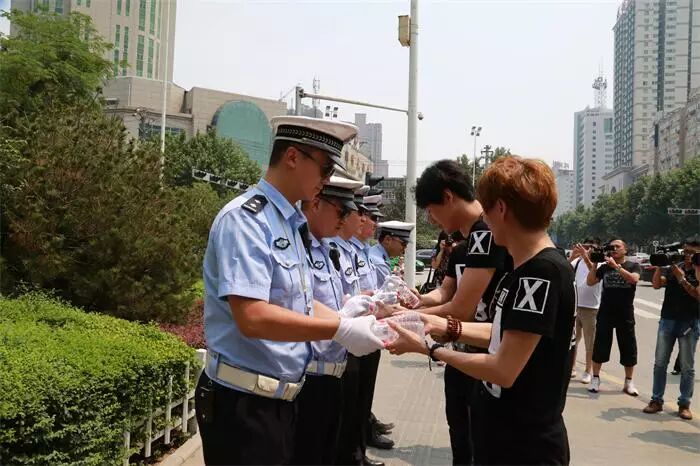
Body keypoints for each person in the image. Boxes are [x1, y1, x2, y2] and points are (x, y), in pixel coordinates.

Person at [195, 116, 384, 465]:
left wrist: (345, 319)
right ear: (293, 157)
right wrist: (338, 329)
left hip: (280, 402)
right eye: (325, 168)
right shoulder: (246, 220)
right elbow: (252, 316)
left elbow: (298, 300)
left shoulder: (289, 225)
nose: (327, 179)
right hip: (244, 405)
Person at [387, 156, 576, 465]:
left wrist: (428, 348)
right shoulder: (525, 270)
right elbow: (505, 333)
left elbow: (503, 369)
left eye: (485, 210)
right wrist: (434, 323)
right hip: (505, 435)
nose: (483, 221)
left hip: (524, 446)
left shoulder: (541, 274)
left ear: (500, 209)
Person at [412, 159, 512, 466]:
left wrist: (405, 320)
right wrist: (415, 302)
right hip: (465, 351)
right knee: (460, 434)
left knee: (476, 442)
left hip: (486, 355)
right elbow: (447, 294)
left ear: (448, 197)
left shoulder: (484, 233)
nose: (431, 219)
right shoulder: (465, 244)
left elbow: (460, 308)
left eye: (431, 210)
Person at [292, 176, 363, 464]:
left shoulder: (328, 249)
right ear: (316, 204)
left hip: (333, 376)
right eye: (341, 211)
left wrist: (355, 307)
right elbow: (299, 303)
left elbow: (332, 301)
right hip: (308, 379)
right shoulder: (297, 247)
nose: (345, 220)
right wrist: (342, 322)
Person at [643, 237, 700, 420]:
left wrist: (681, 277)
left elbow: (697, 295)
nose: (688, 256)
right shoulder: (674, 266)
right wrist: (660, 266)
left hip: (689, 322)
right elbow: (656, 284)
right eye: (686, 251)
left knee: (687, 366)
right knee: (660, 363)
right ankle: (656, 400)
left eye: (693, 253)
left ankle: (684, 404)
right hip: (667, 319)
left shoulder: (698, 270)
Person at [586, 239, 641, 396]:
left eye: (618, 246)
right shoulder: (604, 267)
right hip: (606, 312)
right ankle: (595, 378)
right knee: (600, 345)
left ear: (625, 250)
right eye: (612, 247)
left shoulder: (633, 266)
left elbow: (634, 279)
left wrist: (616, 267)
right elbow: (590, 282)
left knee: (628, 347)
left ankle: (628, 381)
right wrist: (595, 263)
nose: (615, 248)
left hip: (625, 312)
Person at [568, 238, 603, 383]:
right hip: (576, 306)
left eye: (591, 247)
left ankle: (588, 370)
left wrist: (586, 257)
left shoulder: (600, 263)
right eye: (585, 247)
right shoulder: (577, 262)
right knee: (573, 340)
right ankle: (572, 367)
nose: (587, 250)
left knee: (590, 343)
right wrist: (573, 256)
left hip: (591, 308)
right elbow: (565, 268)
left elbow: (594, 275)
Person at [369, 221, 414, 286]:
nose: (405, 248)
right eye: (403, 244)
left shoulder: (376, 253)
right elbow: (386, 290)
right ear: (387, 240)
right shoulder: (379, 263)